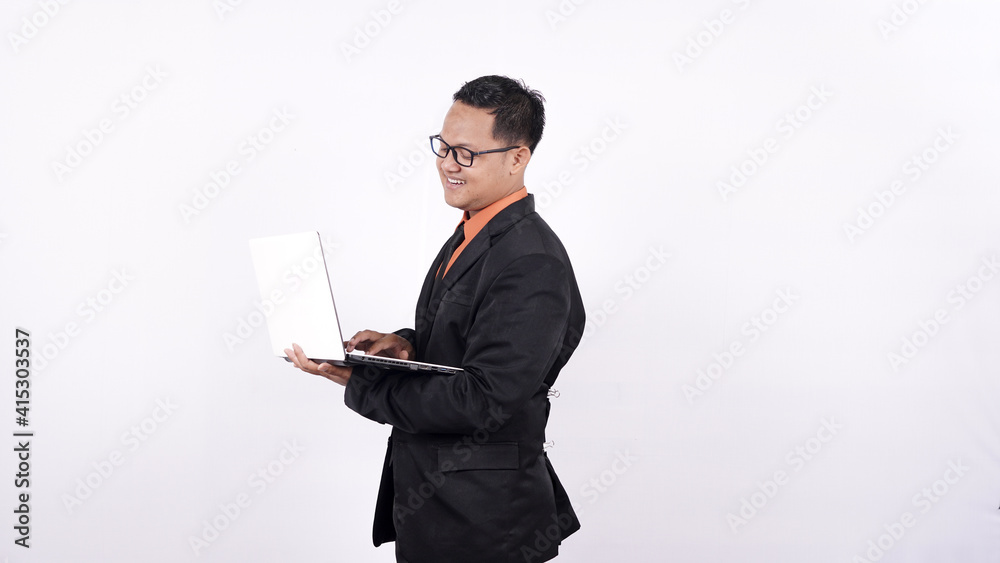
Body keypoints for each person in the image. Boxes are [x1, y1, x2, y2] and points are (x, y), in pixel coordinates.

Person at [285, 75, 585, 563]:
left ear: (517, 158)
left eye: (465, 153)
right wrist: (403, 346)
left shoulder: (532, 261)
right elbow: (463, 340)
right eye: (443, 147)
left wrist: (362, 383)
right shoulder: (474, 232)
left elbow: (483, 400)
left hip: (486, 525)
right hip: (439, 510)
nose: (447, 164)